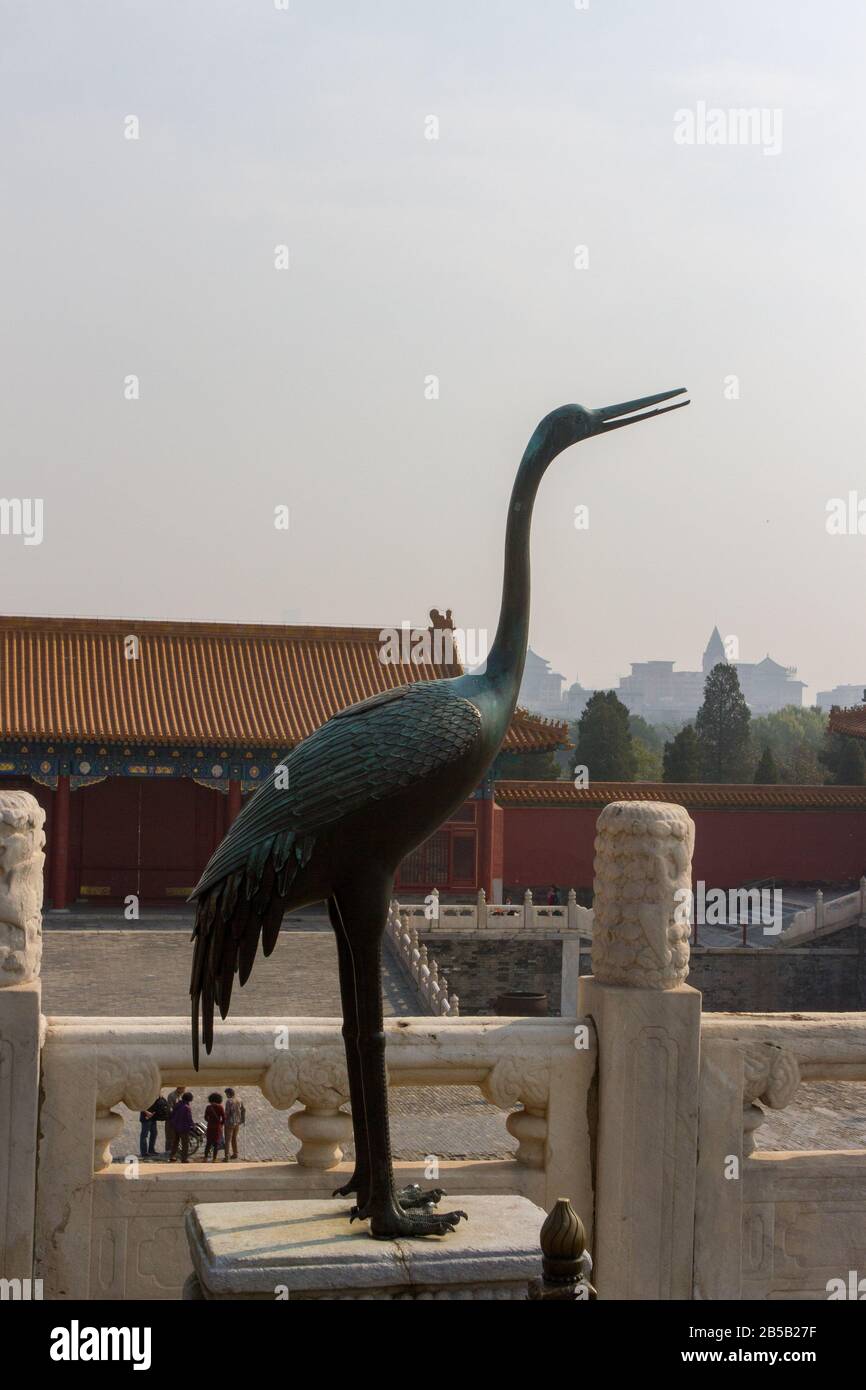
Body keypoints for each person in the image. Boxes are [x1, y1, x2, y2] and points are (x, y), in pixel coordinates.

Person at [169, 1092, 195, 1163]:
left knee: (175, 1142)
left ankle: (172, 1156)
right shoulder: (187, 1107)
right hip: (184, 1127)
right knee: (185, 1144)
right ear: (189, 1099)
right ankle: (184, 1158)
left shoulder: (177, 1104)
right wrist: (193, 1125)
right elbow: (189, 1118)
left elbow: (172, 1114)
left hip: (175, 1126)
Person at [203, 1092, 226, 1162]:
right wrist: (221, 1124)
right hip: (217, 1128)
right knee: (216, 1143)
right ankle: (214, 1159)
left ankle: (205, 1158)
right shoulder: (220, 1107)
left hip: (210, 1127)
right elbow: (224, 1118)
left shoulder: (208, 1107)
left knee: (208, 1143)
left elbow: (205, 1117)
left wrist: (209, 1121)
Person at [223, 1088, 243, 1161]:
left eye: (226, 1094)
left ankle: (226, 1156)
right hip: (237, 1122)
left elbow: (227, 1112)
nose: (226, 1095)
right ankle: (235, 1153)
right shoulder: (239, 1099)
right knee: (234, 1138)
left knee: (227, 1140)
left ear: (228, 1094)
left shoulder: (229, 1101)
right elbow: (243, 1110)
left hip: (229, 1123)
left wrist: (223, 1120)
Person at [165, 1084, 186, 1155]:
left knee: (175, 1137)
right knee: (169, 1136)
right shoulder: (172, 1095)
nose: (184, 1090)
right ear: (179, 1088)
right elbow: (170, 1108)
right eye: (183, 1088)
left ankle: (174, 1152)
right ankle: (168, 1151)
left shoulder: (181, 1096)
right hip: (171, 1119)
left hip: (178, 1120)